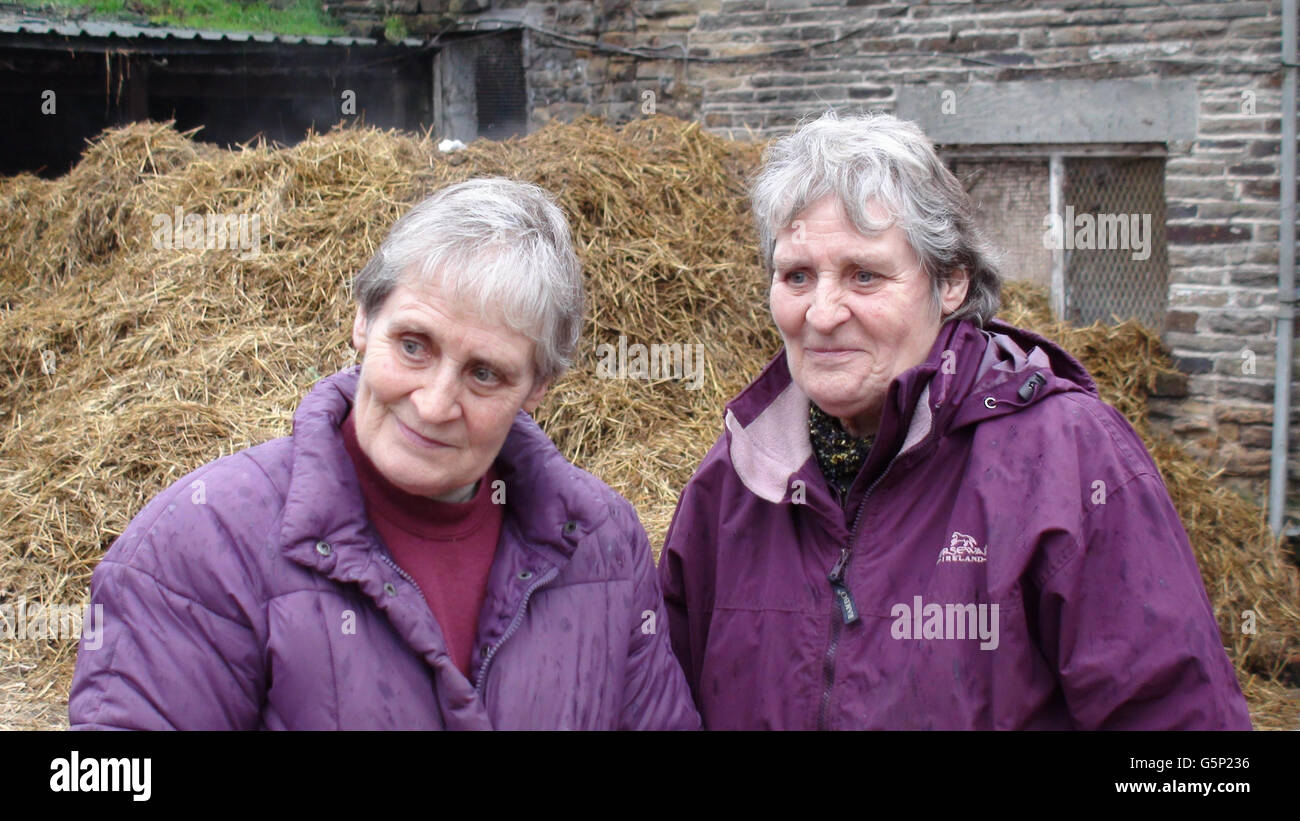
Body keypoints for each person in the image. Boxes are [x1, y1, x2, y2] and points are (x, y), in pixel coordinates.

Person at [658, 111, 1252, 730]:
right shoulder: (738, 477)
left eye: (865, 275)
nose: (823, 312)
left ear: (950, 283)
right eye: (797, 276)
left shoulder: (1067, 462)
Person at [69, 177, 700, 730]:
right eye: (414, 346)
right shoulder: (203, 541)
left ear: (536, 388)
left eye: (485, 374)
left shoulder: (602, 544)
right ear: (363, 322)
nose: (433, 404)